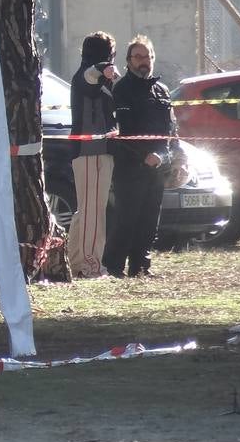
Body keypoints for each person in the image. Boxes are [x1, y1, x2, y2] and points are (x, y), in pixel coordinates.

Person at [105, 35, 177, 278]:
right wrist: (147, 155)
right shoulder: (122, 89)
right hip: (131, 166)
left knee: (149, 220)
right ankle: (114, 267)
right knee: (127, 219)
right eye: (138, 57)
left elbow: (171, 130)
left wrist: (169, 156)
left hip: (158, 166)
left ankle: (141, 266)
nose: (143, 61)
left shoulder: (162, 90)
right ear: (128, 61)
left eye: (147, 56)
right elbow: (124, 132)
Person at [68, 31, 119, 278]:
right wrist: (103, 68)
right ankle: (91, 266)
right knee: (93, 211)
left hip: (101, 151)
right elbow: (90, 77)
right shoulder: (84, 76)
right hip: (89, 152)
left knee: (86, 210)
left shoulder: (100, 80)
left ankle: (76, 261)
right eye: (111, 54)